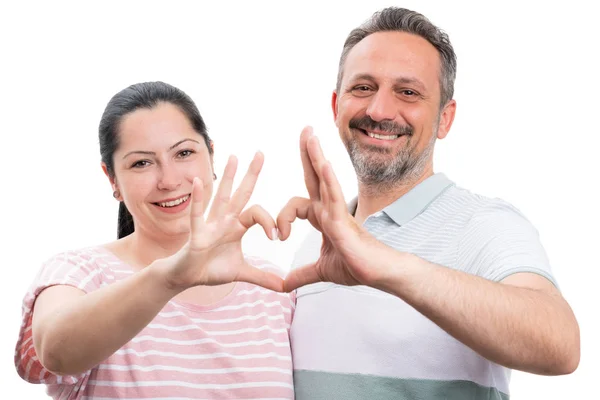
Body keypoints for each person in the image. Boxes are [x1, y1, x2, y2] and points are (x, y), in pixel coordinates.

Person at [276, 7, 581, 399]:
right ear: (336, 106)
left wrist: (387, 266)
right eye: (363, 87)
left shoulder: (485, 225)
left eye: (408, 92)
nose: (379, 111)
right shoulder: (310, 249)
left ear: (444, 118)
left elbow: (560, 344)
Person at [14, 81, 295, 399]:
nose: (170, 180)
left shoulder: (272, 290)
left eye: (184, 153)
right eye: (141, 163)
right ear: (112, 179)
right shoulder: (80, 272)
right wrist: (171, 277)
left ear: (211, 155)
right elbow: (55, 351)